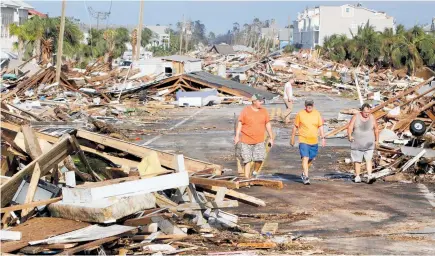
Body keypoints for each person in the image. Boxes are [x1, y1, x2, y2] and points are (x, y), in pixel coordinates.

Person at [234, 94, 274, 178]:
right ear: (254, 101)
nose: (262, 102)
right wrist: (237, 136)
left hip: (259, 140)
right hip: (246, 140)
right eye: (260, 101)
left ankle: (255, 172)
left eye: (262, 101)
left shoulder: (264, 111)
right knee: (247, 160)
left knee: (259, 159)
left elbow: (267, 124)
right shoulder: (246, 111)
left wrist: (271, 137)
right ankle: (246, 179)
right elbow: (240, 123)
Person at [291, 99, 325, 185]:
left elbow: (320, 126)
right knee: (305, 157)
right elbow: (295, 126)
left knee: (311, 158)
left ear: (313, 105)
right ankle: (306, 177)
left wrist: (323, 138)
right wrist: (292, 137)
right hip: (303, 140)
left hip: (314, 140)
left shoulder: (317, 114)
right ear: (305, 106)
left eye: (311, 105)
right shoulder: (300, 114)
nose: (309, 107)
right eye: (308, 105)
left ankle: (304, 173)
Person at [347, 103, 379, 183]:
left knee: (368, 159)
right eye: (365, 112)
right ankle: (357, 176)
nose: (367, 114)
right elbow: (350, 127)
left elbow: (376, 129)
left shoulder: (372, 117)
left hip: (369, 143)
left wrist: (377, 140)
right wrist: (349, 136)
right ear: (361, 111)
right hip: (357, 143)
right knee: (357, 161)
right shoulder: (356, 117)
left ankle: (369, 176)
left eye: (368, 112)